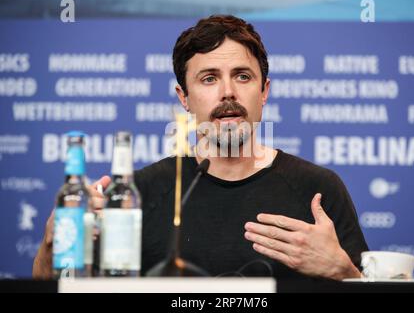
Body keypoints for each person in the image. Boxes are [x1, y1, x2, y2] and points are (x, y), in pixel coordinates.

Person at [33, 15, 368, 280]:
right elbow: (55, 283)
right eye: (209, 79)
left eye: (242, 76)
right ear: (184, 98)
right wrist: (53, 241)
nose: (227, 93)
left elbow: (362, 281)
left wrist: (344, 272)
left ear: (264, 91)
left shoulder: (318, 191)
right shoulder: (137, 194)